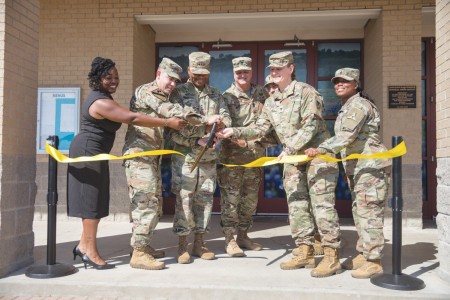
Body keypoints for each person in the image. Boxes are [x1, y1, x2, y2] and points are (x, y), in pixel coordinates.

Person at [216, 51, 342, 278]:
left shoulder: (306, 92)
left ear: (290, 69)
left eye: (279, 69)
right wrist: (234, 131)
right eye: (271, 69)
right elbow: (261, 128)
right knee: (297, 206)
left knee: (322, 207)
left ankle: (332, 256)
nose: (274, 73)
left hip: (316, 157)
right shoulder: (272, 101)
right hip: (293, 161)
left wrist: (290, 147)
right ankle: (305, 251)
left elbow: (311, 125)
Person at [67, 57, 187, 270]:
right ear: (97, 78)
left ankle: (83, 245)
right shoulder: (100, 101)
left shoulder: (105, 97)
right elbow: (131, 118)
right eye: (108, 77)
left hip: (97, 153)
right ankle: (90, 250)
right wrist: (168, 122)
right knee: (91, 204)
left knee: (97, 202)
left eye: (116, 77)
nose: (113, 80)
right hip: (87, 153)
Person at [122, 58, 221, 270]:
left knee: (152, 203)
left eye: (176, 81)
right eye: (169, 79)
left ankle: (142, 246)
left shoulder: (163, 94)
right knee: (144, 203)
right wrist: (206, 120)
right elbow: (171, 112)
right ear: (159, 73)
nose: (173, 84)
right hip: (139, 156)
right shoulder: (147, 92)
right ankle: (139, 253)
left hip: (152, 156)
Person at [305, 68, 392, 279]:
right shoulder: (348, 107)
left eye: (345, 81)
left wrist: (322, 149)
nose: (339, 84)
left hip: (370, 167)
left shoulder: (359, 105)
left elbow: (346, 136)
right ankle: (364, 254)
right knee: (360, 211)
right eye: (336, 81)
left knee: (369, 213)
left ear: (356, 84)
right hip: (359, 168)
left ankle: (373, 261)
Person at [169, 52, 231, 264]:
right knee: (184, 200)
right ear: (189, 71)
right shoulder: (178, 93)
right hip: (186, 158)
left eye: (203, 73)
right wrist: (198, 139)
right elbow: (176, 126)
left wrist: (220, 128)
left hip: (209, 158)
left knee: (204, 200)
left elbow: (225, 117)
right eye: (196, 73)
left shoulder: (215, 94)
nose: (199, 77)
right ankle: (182, 246)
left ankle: (200, 243)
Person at [218, 57, 278, 257]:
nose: (242, 75)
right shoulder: (226, 97)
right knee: (231, 200)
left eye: (245, 72)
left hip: (255, 157)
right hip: (232, 158)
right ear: (234, 74)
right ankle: (230, 240)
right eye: (238, 73)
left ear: (251, 72)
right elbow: (224, 127)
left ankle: (243, 235)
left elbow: (270, 120)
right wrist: (239, 140)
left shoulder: (262, 93)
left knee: (250, 201)